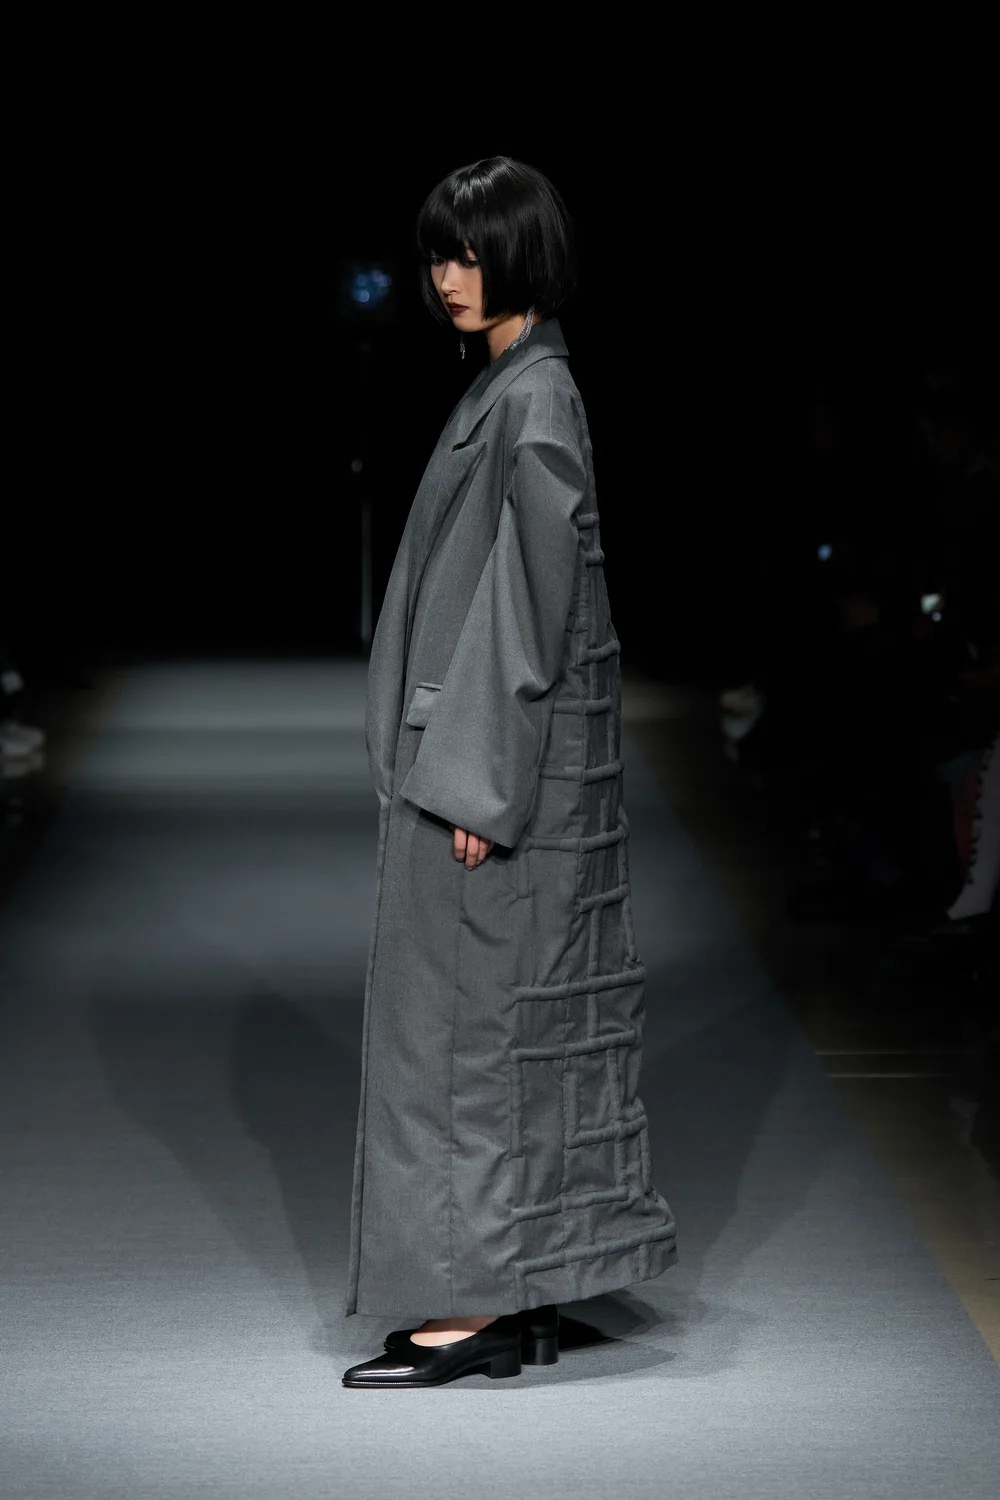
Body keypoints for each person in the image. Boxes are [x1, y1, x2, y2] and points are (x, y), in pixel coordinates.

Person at [342, 157, 677, 1390]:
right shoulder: (519, 385)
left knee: (459, 1038)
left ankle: (474, 1301)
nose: (448, 277)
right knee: (514, 1026)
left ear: (524, 256)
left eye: (471, 254)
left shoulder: (532, 398)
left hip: (479, 775)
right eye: (438, 254)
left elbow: (528, 607)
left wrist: (476, 781)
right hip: (492, 761)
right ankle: (527, 1284)